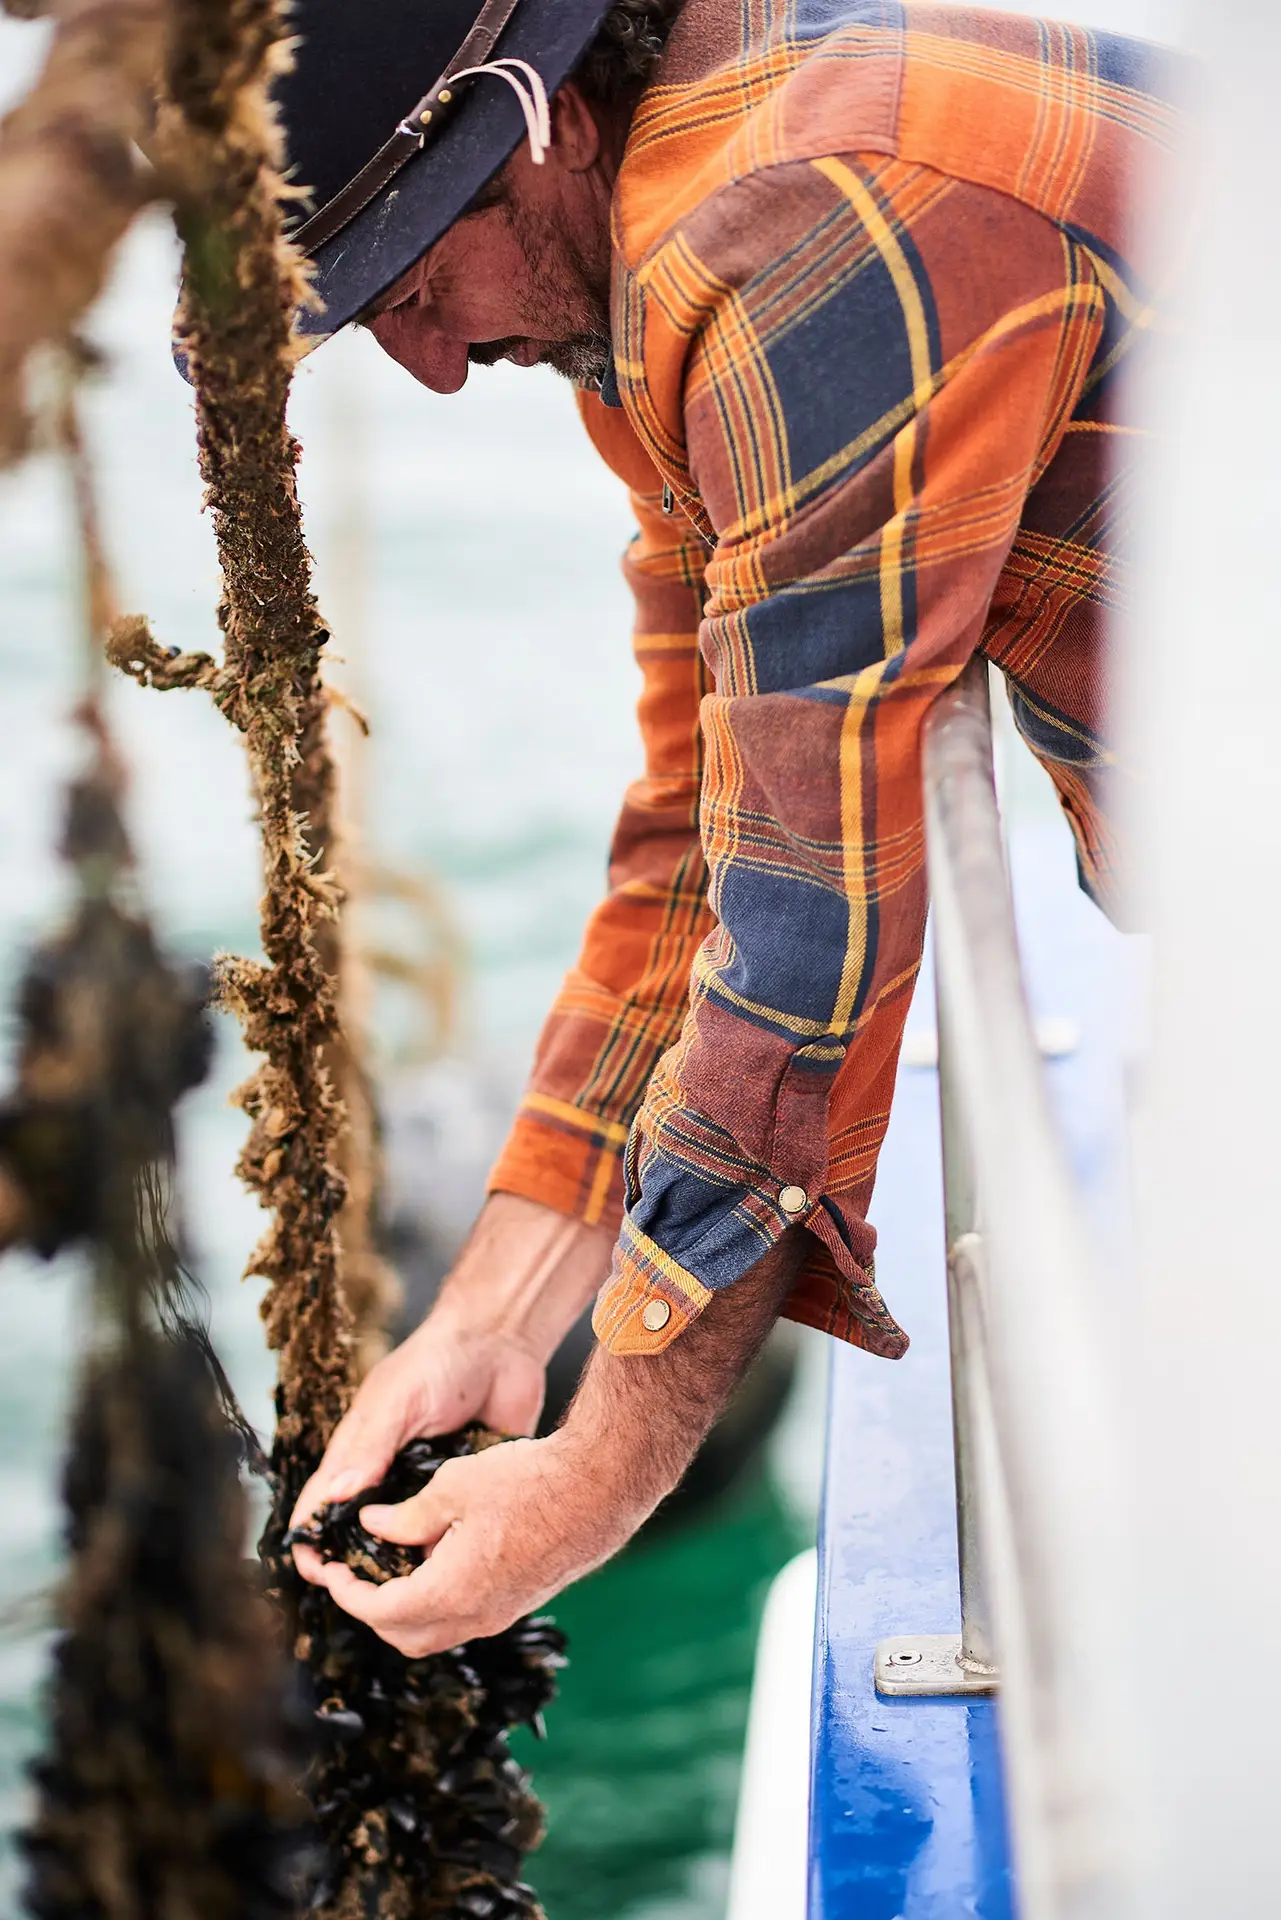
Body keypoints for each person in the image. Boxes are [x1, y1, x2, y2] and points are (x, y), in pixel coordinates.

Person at [281, 0, 1174, 1655]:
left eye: (410, 278)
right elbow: (706, 817)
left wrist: (594, 1480)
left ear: (545, 120)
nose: (430, 363)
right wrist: (499, 1314)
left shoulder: (797, 240)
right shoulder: (664, 238)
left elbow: (804, 924)